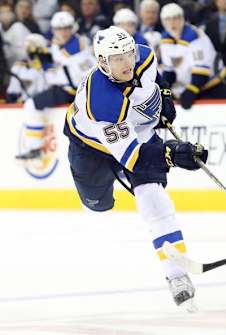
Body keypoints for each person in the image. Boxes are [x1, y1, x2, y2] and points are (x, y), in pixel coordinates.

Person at [63, 25, 206, 311]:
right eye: (117, 59)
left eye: (128, 53)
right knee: (98, 205)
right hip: (90, 149)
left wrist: (164, 97)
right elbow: (135, 157)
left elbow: (158, 78)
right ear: (103, 62)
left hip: (136, 132)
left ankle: (176, 276)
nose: (127, 62)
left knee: (154, 200)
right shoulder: (102, 103)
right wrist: (173, 154)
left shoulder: (143, 57)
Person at [15, 11, 96, 160]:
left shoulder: (78, 43)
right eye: (59, 28)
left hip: (82, 92)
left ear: (73, 28)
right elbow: (56, 72)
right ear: (54, 30)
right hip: (68, 90)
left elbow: (67, 63)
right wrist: (44, 61)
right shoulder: (58, 45)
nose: (63, 32)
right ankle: (34, 147)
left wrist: (45, 59)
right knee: (31, 104)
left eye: (66, 28)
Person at [159, 3, 226, 109]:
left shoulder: (195, 36)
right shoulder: (166, 39)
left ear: (182, 19)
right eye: (168, 19)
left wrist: (191, 90)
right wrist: (164, 90)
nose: (172, 23)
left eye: (176, 18)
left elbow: (201, 72)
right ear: (163, 22)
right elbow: (170, 71)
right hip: (191, 89)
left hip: (213, 88)